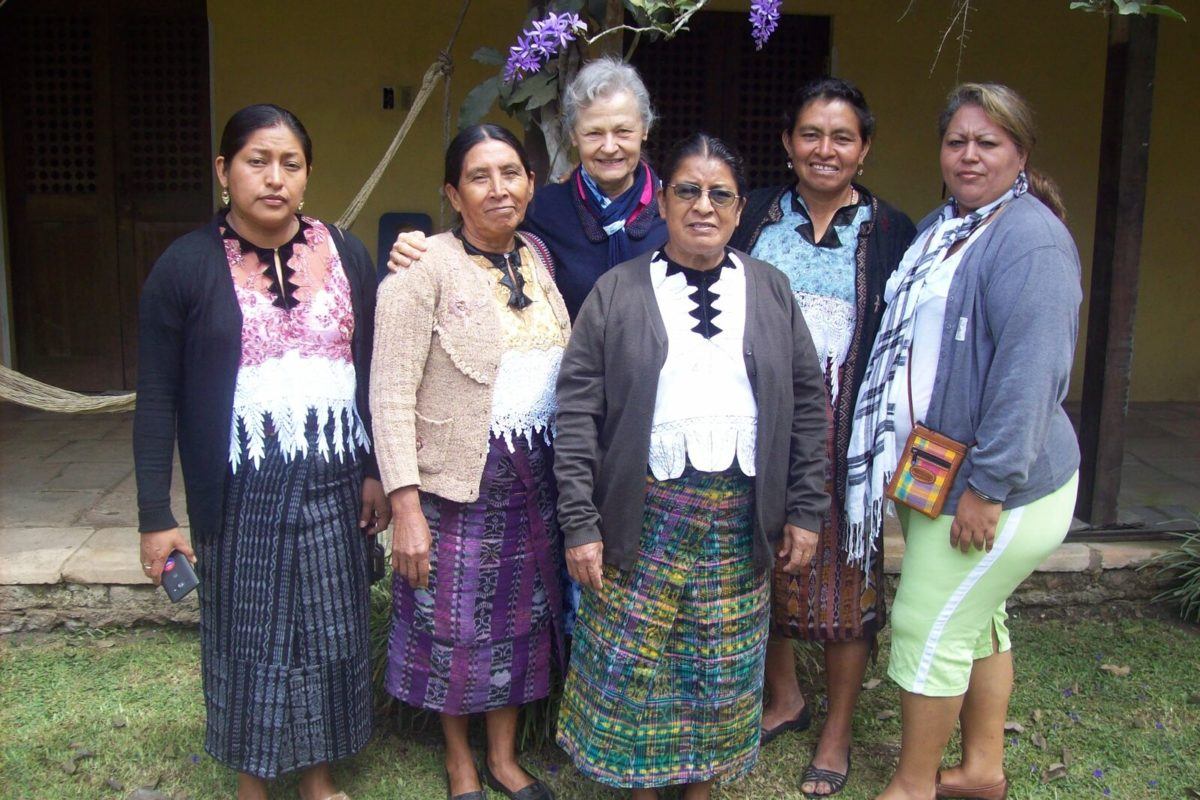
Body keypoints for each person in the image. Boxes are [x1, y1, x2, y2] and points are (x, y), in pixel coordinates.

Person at [554, 133, 830, 800]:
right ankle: (642, 785)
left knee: (721, 666)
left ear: (739, 211)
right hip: (640, 511)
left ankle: (701, 786)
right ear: (663, 203)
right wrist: (581, 522)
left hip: (739, 519)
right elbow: (576, 411)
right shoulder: (618, 291)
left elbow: (808, 403)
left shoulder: (769, 290)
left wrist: (804, 508)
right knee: (637, 665)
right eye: (687, 190)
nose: (703, 206)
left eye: (720, 194)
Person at [134, 104, 388, 800]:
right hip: (242, 482)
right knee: (250, 634)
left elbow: (369, 369)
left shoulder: (346, 252)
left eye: (291, 163)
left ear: (307, 175)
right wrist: (155, 515)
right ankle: (253, 779)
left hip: (335, 476)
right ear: (224, 171)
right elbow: (156, 397)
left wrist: (373, 471)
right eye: (256, 160)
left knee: (332, 629)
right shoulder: (184, 267)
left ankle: (318, 775)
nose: (274, 178)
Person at [843, 83, 1081, 800]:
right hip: (933, 472)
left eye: (990, 142)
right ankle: (980, 772)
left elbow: (1030, 374)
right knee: (976, 621)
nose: (970, 155)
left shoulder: (1028, 238)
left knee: (926, 623)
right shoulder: (952, 226)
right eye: (958, 141)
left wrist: (989, 487)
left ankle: (913, 786)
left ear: (1021, 153)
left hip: (993, 484)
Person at [369, 124, 569, 800]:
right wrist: (404, 505)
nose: (498, 188)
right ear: (453, 193)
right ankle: (460, 760)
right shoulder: (420, 267)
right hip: (455, 482)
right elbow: (389, 392)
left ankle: (505, 757)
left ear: (531, 183)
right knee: (453, 626)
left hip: (533, 473)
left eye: (511, 173)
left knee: (520, 621)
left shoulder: (537, 256)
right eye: (479, 177)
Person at [729, 77, 916, 797]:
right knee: (766, 561)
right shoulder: (756, 219)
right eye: (811, 134)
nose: (825, 149)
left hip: (847, 435)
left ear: (864, 149)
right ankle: (784, 696)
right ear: (787, 143)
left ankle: (836, 730)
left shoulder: (892, 230)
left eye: (842, 137)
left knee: (846, 581)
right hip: (760, 421)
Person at [387, 55, 668, 319]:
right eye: (593, 133)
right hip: (571, 370)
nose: (609, 147)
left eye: (623, 131)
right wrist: (419, 250)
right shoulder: (541, 211)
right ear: (572, 135)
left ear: (644, 129)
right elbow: (475, 245)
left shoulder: (674, 211)